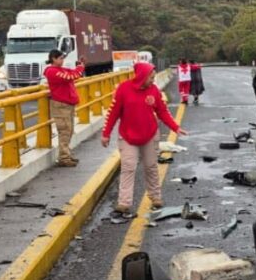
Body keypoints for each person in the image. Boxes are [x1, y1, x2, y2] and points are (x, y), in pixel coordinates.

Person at [102, 62, 188, 216]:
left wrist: (175, 127)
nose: (153, 80)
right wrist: (106, 133)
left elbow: (162, 111)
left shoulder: (154, 90)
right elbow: (113, 113)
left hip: (149, 135)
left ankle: (155, 197)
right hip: (127, 136)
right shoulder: (123, 89)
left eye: (154, 77)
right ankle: (124, 202)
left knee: (151, 167)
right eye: (151, 77)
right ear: (142, 75)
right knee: (128, 167)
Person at [43, 49, 85, 166]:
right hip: (61, 105)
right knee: (65, 131)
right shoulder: (52, 71)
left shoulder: (60, 70)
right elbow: (72, 76)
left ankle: (66, 155)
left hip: (67, 104)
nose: (62, 60)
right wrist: (80, 68)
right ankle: (64, 158)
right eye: (60, 58)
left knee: (69, 130)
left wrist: (79, 67)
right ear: (53, 59)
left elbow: (74, 73)